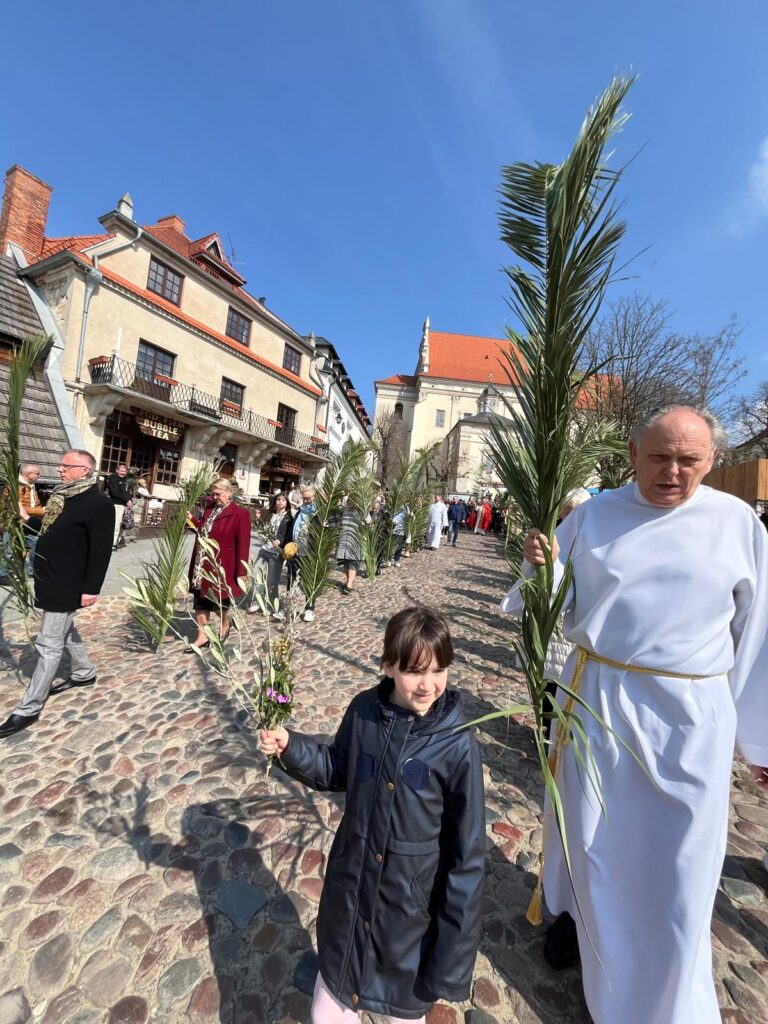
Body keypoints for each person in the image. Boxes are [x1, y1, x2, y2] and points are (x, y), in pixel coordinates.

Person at [501, 405, 768, 1024]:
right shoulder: (593, 515)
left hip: (690, 719)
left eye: (689, 460)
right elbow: (540, 600)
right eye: (659, 457)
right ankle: (579, 928)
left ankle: (666, 993)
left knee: (682, 861)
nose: (673, 472)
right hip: (600, 704)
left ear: (711, 461)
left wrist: (759, 742)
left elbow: (758, 637)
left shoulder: (738, 525)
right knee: (593, 839)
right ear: (633, 452)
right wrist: (538, 566)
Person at [259, 606, 485, 1023]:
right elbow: (335, 768)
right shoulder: (364, 711)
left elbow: (466, 858)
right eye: (415, 671)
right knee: (326, 1013)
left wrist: (449, 964)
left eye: (439, 670)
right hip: (350, 900)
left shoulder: (457, 745)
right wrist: (290, 746)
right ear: (387, 666)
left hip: (407, 925)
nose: (429, 684)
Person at [0, 450, 114, 739]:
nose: (60, 469)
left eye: (67, 466)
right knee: (65, 628)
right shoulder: (61, 496)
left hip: (70, 581)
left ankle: (29, 707)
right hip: (49, 577)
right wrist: (24, 516)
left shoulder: (98, 503)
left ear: (85, 471)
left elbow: (100, 551)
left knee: (49, 643)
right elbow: (50, 529)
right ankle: (84, 672)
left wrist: (92, 589)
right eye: (60, 464)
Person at [187, 477, 251, 649]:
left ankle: (225, 625)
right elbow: (202, 529)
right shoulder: (210, 509)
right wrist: (192, 519)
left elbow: (243, 545)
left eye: (218, 493)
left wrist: (242, 571)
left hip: (221, 566)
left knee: (218, 603)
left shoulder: (240, 514)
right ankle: (202, 636)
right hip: (201, 563)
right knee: (199, 601)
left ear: (229, 493)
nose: (214, 497)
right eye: (212, 494)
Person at [248, 491, 294, 619]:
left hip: (276, 553)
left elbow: (290, 535)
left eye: (283, 500)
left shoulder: (289, 518)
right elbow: (262, 529)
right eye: (278, 499)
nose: (280, 502)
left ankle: (273, 606)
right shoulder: (270, 515)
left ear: (287, 503)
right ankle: (257, 601)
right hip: (264, 549)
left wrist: (281, 541)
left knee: (272, 581)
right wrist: (257, 519)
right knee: (256, 575)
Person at [287, 484, 318, 621]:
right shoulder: (300, 511)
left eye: (309, 498)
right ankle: (290, 606)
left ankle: (309, 608)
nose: (307, 501)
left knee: (308, 581)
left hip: (309, 552)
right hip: (295, 551)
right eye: (304, 498)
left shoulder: (319, 512)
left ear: (315, 498)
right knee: (291, 580)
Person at [17, 463, 45, 577]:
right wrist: (41, 511)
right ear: (29, 474)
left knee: (36, 543)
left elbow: (36, 504)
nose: (39, 476)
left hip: (28, 523)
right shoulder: (16, 486)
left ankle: (33, 569)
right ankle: (2, 574)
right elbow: (18, 507)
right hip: (15, 523)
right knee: (9, 547)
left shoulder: (31, 486)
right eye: (37, 473)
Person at [333, 490, 363, 594]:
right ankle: (348, 581)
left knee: (352, 562)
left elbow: (369, 523)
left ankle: (349, 585)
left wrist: (367, 521)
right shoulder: (343, 511)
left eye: (354, 502)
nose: (351, 504)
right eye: (350, 502)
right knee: (346, 562)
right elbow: (335, 521)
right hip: (343, 539)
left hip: (355, 540)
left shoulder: (361, 512)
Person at [105, 463, 132, 550]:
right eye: (121, 471)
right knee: (116, 524)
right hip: (116, 504)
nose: (123, 473)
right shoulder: (113, 478)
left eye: (124, 471)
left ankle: (116, 542)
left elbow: (127, 493)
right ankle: (111, 544)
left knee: (122, 525)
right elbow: (115, 492)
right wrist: (126, 500)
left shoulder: (125, 481)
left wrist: (130, 500)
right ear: (117, 470)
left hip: (124, 505)